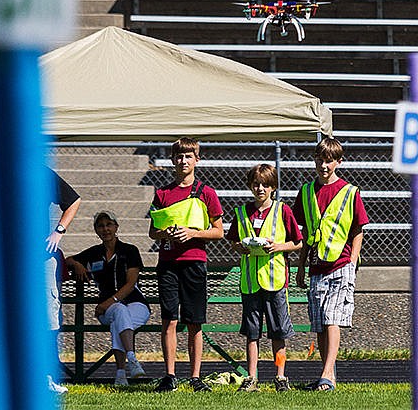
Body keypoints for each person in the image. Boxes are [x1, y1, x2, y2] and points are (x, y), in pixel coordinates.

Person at [148, 137, 224, 392]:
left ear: (197, 160)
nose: (183, 161)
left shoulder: (207, 193)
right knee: (169, 319)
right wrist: (166, 233)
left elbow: (218, 231)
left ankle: (195, 376)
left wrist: (192, 233)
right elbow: (152, 232)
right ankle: (170, 375)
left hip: (194, 263)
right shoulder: (162, 193)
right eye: (179, 156)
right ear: (172, 160)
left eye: (188, 156)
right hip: (168, 263)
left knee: (194, 321)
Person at [293, 137, 368, 392]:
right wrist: (301, 266)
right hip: (316, 265)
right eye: (320, 160)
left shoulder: (349, 192)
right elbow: (305, 231)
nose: (324, 166)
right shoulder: (305, 192)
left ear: (338, 162)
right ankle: (328, 376)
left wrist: (354, 260)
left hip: (341, 262)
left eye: (329, 161)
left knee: (331, 317)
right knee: (319, 323)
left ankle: (327, 373)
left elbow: (358, 228)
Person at [226, 164, 302, 393]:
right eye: (256, 184)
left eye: (265, 185)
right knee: (252, 332)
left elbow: (298, 242)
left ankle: (280, 376)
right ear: (250, 186)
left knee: (278, 332)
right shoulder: (241, 212)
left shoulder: (283, 211)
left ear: (273, 187)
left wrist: (278, 246)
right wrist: (241, 248)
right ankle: (251, 377)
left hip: (275, 280)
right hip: (250, 282)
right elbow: (233, 242)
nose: (260, 188)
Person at [66, 210, 150, 386]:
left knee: (119, 319)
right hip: (110, 309)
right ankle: (131, 358)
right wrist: (77, 264)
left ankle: (121, 374)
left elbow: (130, 284)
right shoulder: (94, 252)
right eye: (101, 226)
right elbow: (68, 260)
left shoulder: (130, 250)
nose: (105, 229)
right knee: (119, 313)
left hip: (134, 303)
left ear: (116, 227)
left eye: (109, 225)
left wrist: (107, 303)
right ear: (96, 230)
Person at [45, 167, 81, 395]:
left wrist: (58, 231)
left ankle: (46, 376)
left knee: (48, 316)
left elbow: (73, 200)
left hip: (40, 258)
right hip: (1, 259)